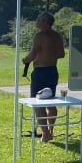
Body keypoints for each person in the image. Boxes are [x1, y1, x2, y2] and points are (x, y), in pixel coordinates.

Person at [22, 12, 65, 142]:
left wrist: (25, 60)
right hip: (53, 71)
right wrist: (49, 55)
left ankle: (45, 133)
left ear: (45, 22)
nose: (36, 21)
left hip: (40, 71)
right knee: (50, 102)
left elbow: (33, 53)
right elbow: (61, 54)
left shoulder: (39, 36)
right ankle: (50, 130)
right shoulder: (58, 36)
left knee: (38, 103)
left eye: (39, 19)